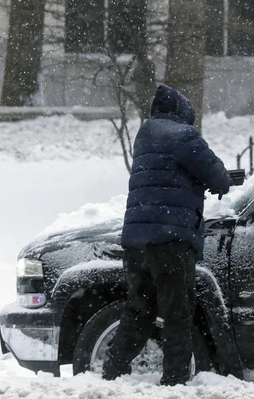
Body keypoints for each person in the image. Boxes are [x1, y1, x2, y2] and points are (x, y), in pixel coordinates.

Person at [102, 84, 232, 386]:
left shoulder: (145, 135)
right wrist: (223, 181)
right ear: (183, 114)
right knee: (178, 313)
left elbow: (170, 173)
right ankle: (175, 381)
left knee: (139, 309)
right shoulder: (183, 135)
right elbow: (213, 173)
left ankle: (112, 371)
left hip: (137, 241)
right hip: (170, 240)